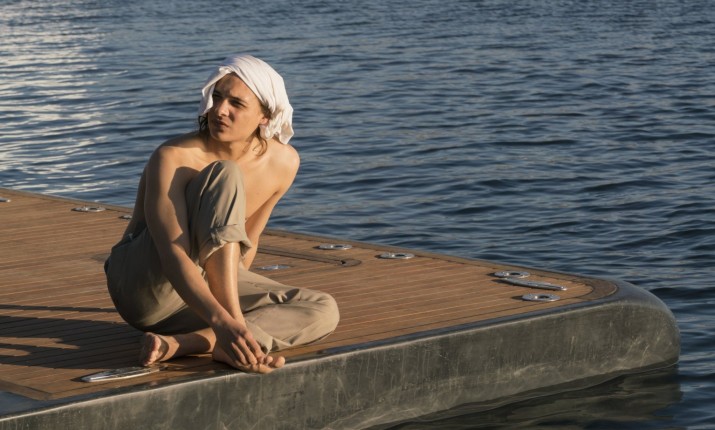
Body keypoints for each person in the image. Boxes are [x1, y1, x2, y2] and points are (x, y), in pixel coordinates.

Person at [104, 55, 340, 374]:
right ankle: (230, 335)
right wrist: (228, 320)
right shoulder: (173, 156)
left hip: (198, 295)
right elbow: (173, 254)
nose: (219, 110)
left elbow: (246, 244)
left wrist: (227, 320)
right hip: (144, 287)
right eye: (216, 97)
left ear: (265, 116)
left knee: (323, 308)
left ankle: (186, 344)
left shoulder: (284, 162)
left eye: (236, 103)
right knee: (226, 174)